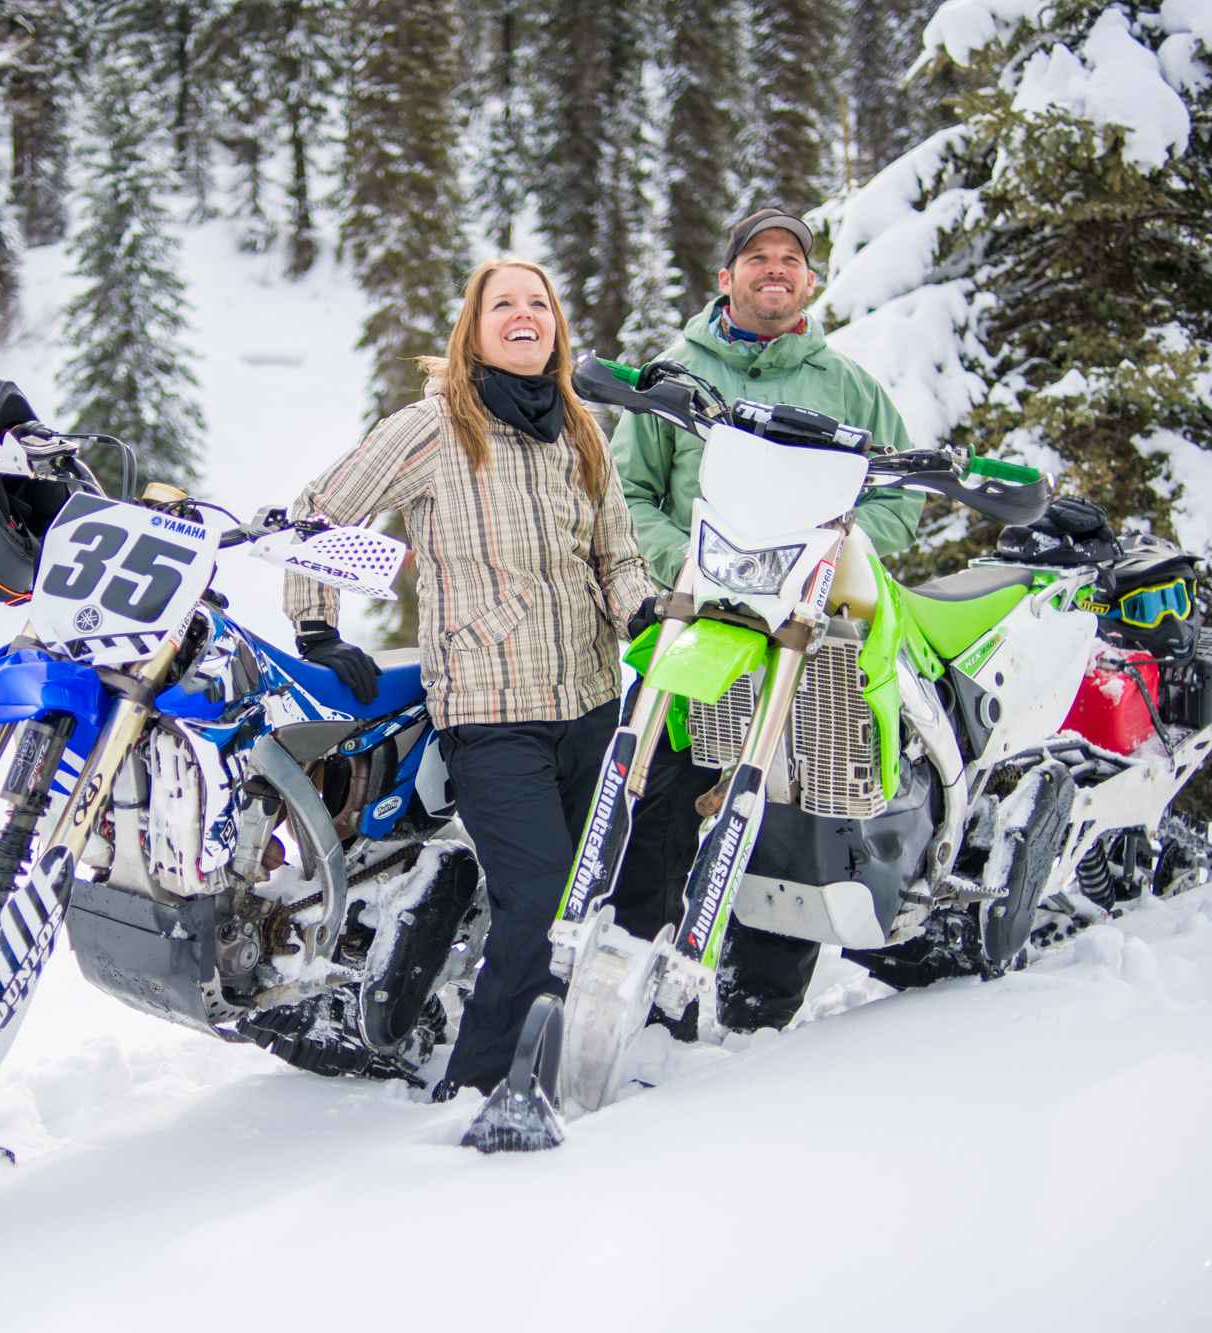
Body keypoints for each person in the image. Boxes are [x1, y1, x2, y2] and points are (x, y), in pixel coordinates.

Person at [284, 258, 655, 1098]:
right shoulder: (434, 426)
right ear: (474, 326)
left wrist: (636, 607)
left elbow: (615, 552)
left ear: (555, 326)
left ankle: (551, 1063)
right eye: (503, 305)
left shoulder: (580, 427)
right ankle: (481, 1088)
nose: (524, 316)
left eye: (539, 304)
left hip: (594, 698)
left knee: (579, 897)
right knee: (535, 898)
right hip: (491, 710)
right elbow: (322, 508)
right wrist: (315, 621)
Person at [610, 206, 923, 1035]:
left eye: (792, 258)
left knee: (785, 815)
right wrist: (692, 558)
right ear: (726, 279)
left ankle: (756, 1015)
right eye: (757, 257)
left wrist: (835, 556)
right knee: (660, 811)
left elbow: (895, 504)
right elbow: (625, 496)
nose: (775, 268)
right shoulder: (673, 375)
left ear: (811, 283)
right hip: (693, 626)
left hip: (800, 641)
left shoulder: (846, 387)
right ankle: (640, 1001)